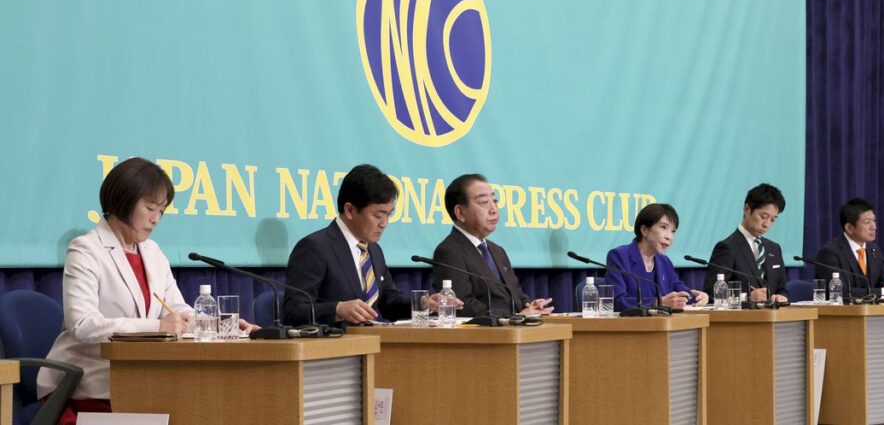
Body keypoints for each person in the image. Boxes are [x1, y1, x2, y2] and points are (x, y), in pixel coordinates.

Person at [38, 157, 257, 422]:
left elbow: (178, 310)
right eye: (151, 208)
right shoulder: (86, 249)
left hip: (143, 378)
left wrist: (220, 325)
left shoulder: (152, 252)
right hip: (89, 382)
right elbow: (83, 325)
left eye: (161, 211)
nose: (156, 219)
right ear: (124, 199)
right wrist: (158, 327)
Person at [284, 164, 458, 326]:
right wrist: (337, 309)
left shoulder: (373, 249)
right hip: (333, 344)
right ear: (350, 210)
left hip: (371, 343)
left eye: (389, 215)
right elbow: (293, 311)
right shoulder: (315, 247)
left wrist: (423, 303)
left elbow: (389, 303)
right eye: (378, 215)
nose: (384, 224)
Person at [431, 174, 553, 317]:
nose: (494, 209)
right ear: (460, 213)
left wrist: (529, 305)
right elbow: (461, 304)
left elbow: (515, 294)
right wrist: (513, 317)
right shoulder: (449, 251)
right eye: (484, 202)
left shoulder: (497, 250)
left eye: (495, 201)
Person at [606, 203, 709, 311]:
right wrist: (657, 302)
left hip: (662, 321)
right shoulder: (619, 256)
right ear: (644, 230)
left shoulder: (664, 262)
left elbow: (682, 292)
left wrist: (698, 297)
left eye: (673, 231)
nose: (669, 237)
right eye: (663, 227)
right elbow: (617, 301)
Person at [703, 183, 790, 302]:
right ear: (747, 209)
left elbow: (782, 289)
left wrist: (781, 296)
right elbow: (711, 294)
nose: (767, 224)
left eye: (773, 220)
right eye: (763, 216)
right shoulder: (727, 247)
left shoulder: (774, 248)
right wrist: (748, 296)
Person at [814, 198, 884, 300]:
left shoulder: (874, 250)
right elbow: (839, 292)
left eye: (874, 221)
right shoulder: (829, 253)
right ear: (849, 228)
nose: (874, 227)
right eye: (867, 222)